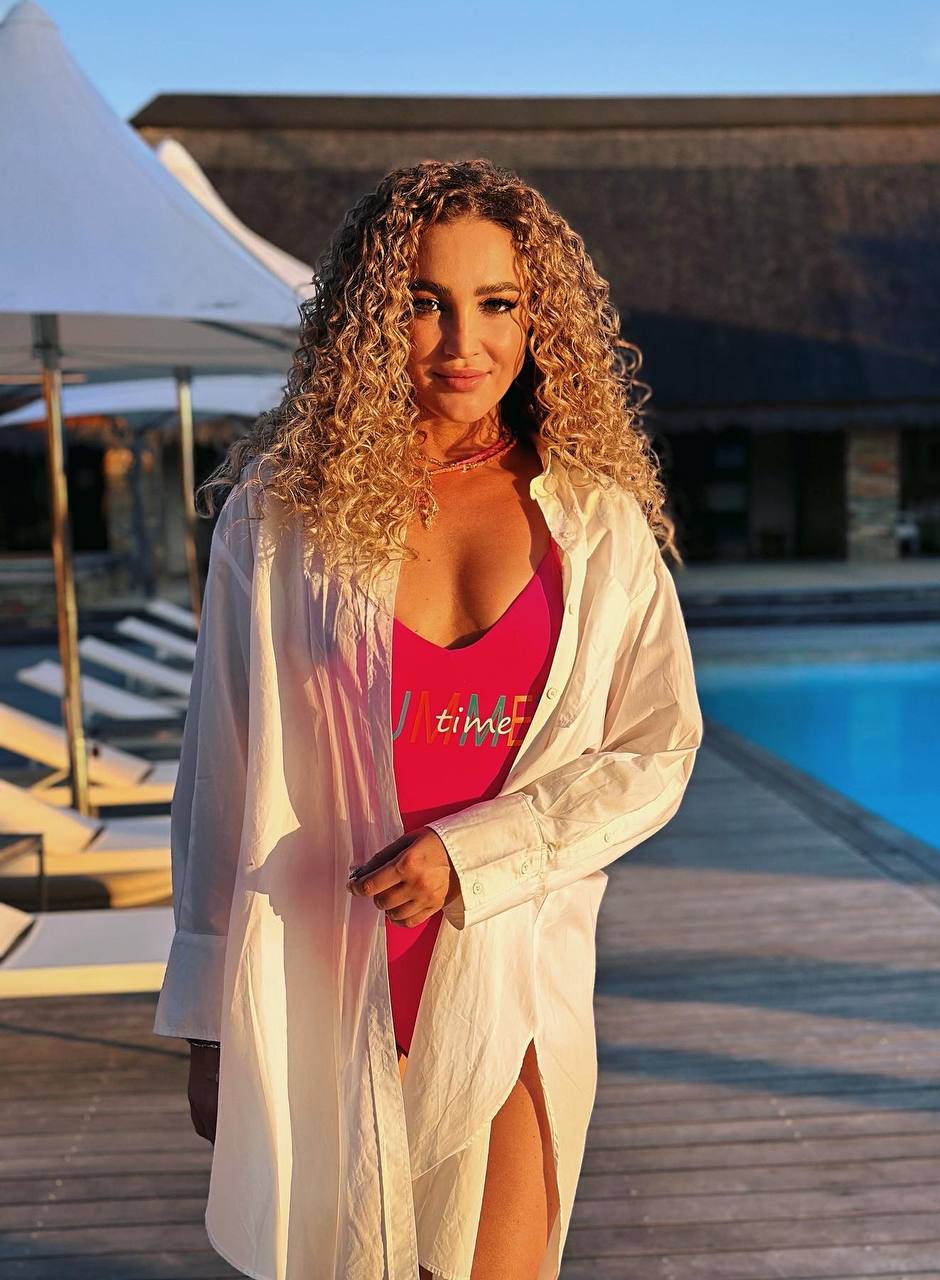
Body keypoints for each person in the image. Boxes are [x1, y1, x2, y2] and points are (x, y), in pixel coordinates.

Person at [153, 157, 703, 1280]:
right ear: (366, 321)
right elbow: (220, 771)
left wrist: (474, 853)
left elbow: (656, 749)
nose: (464, 342)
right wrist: (208, 1018)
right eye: (422, 302)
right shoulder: (277, 522)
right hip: (318, 969)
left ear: (537, 318)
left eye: (497, 303)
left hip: (509, 970)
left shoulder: (594, 523)